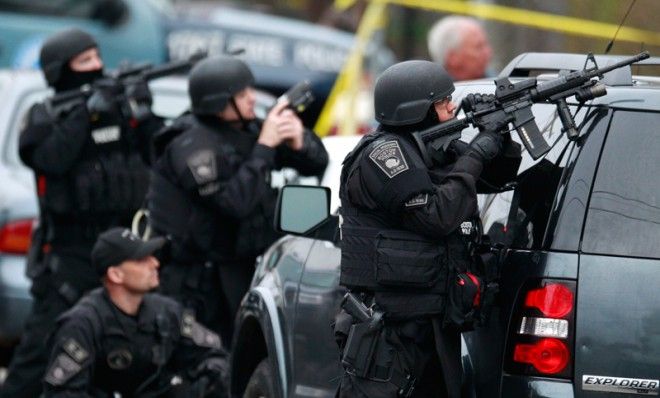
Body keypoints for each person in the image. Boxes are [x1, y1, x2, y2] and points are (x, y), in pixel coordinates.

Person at [334, 60, 520, 397]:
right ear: (418, 109)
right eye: (443, 102)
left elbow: (498, 179)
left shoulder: (426, 150)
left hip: (428, 321)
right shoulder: (385, 155)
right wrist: (477, 151)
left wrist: (498, 129)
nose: (452, 107)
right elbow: (437, 215)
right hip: (390, 329)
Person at [2, 28, 162, 397]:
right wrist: (86, 113)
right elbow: (49, 159)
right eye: (85, 61)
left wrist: (142, 109)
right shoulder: (44, 115)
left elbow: (159, 152)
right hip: (69, 256)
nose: (97, 66)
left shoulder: (118, 108)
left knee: (128, 354)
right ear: (62, 71)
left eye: (97, 57)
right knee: (41, 354)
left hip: (123, 249)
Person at [148, 56, 329, 344]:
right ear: (218, 103)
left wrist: (299, 141)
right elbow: (234, 203)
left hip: (240, 268)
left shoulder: (247, 131)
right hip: (196, 280)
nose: (251, 99)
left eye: (250, 91)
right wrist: (265, 147)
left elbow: (318, 163)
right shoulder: (190, 144)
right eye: (242, 94)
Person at [43, 227, 229, 397]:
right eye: (142, 260)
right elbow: (62, 393)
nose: (155, 263)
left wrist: (204, 386)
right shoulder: (82, 325)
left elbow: (216, 355)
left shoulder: (168, 312)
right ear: (116, 274)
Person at [427, 15, 493, 81]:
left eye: (485, 44)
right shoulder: (434, 89)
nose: (488, 52)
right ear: (453, 58)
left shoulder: (497, 83)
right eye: (478, 47)